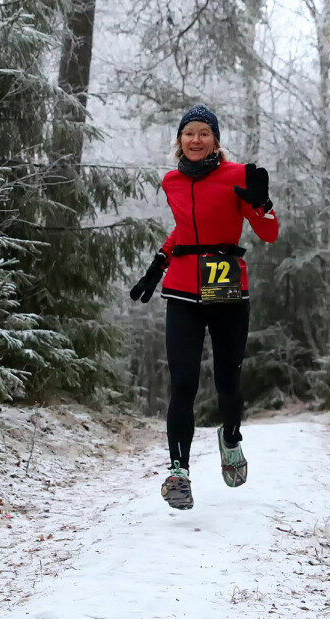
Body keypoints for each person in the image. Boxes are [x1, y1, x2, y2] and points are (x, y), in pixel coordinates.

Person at [129, 104, 279, 510]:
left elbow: (270, 233)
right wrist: (156, 266)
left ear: (215, 139)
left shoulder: (237, 176)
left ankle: (230, 436)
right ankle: (179, 472)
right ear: (179, 140)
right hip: (181, 290)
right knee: (183, 383)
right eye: (188, 133)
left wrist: (263, 203)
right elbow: (183, 227)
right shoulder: (172, 182)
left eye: (204, 133)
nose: (195, 140)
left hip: (225, 285)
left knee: (228, 381)